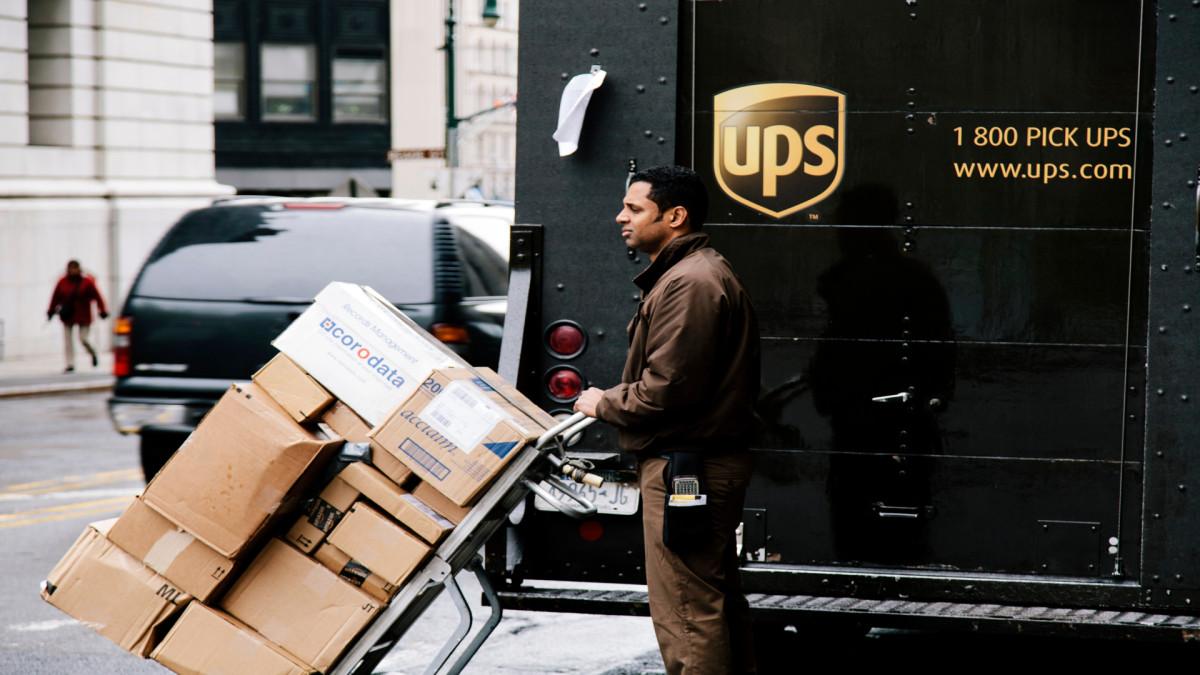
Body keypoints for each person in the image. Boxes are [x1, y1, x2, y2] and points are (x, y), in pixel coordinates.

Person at [573, 165, 760, 675]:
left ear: (675, 216)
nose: (621, 217)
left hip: (688, 468)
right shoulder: (693, 274)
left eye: (634, 209)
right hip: (695, 462)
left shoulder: (691, 283)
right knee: (711, 605)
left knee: (687, 615)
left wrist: (603, 403)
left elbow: (668, 390)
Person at [47, 260, 108, 372]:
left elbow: (98, 297)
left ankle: (92, 352)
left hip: (83, 315)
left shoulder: (87, 282)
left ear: (79, 269)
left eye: (75, 268)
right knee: (68, 341)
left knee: (83, 338)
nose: (73, 271)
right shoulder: (62, 282)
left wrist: (103, 310)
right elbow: (55, 297)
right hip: (68, 315)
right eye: (71, 268)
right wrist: (50, 311)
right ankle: (70, 364)